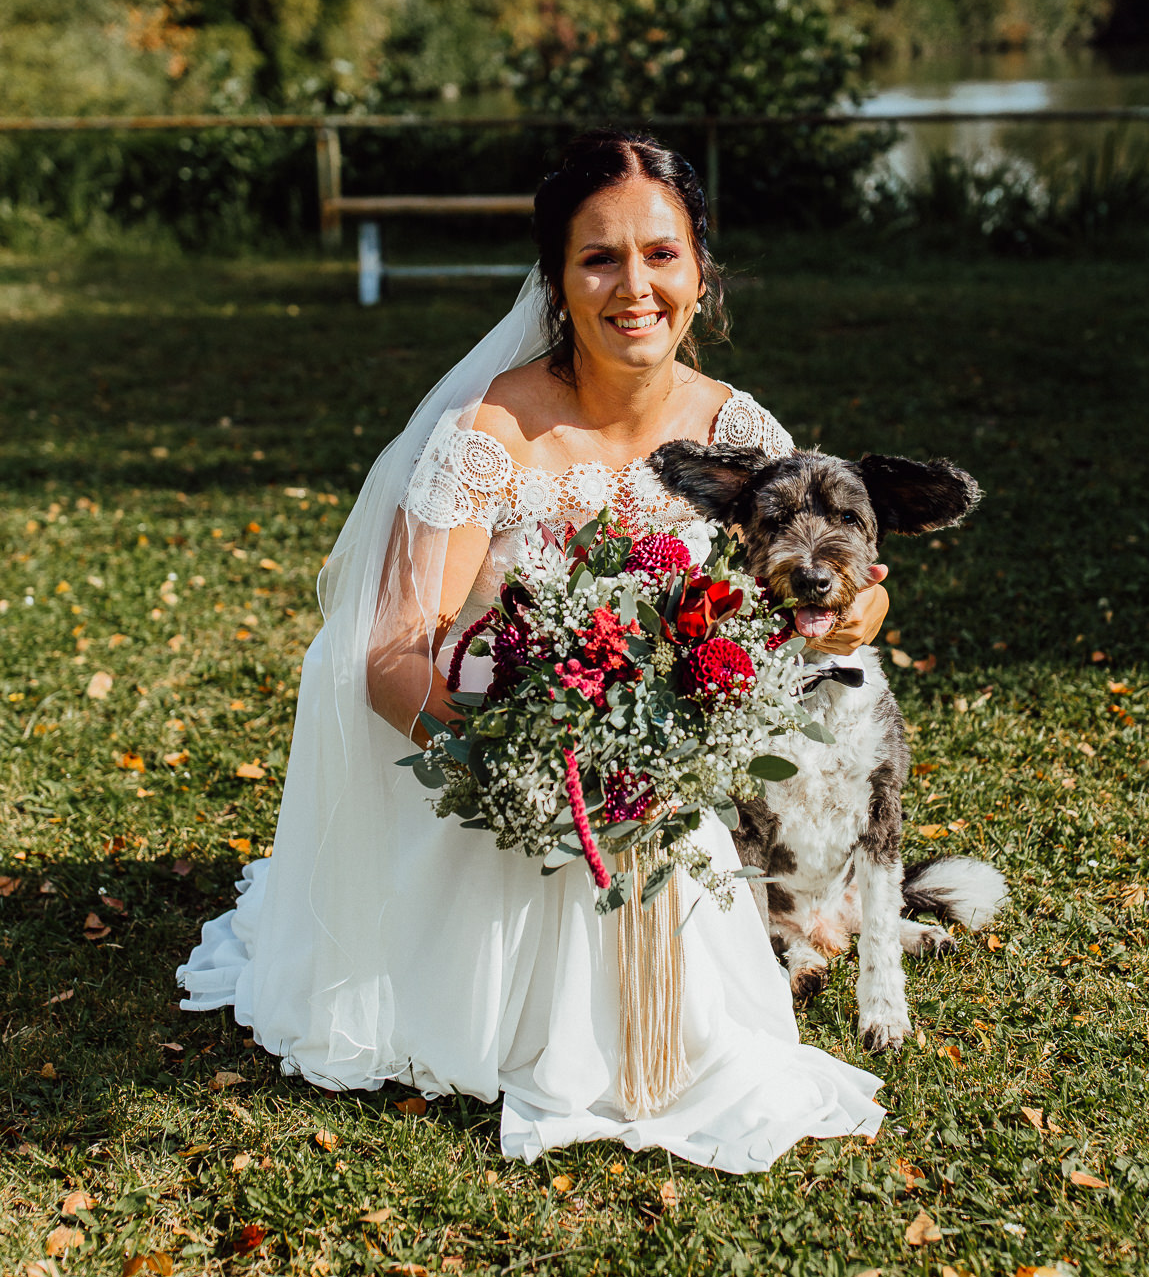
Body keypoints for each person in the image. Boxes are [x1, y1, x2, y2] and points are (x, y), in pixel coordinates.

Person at [179, 130, 891, 1170]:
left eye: (662, 253)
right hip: (499, 759)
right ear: (557, 280)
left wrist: (866, 610)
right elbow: (387, 654)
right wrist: (524, 760)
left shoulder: (742, 435)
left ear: (700, 271)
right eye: (599, 258)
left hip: (671, 779)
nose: (634, 287)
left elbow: (831, 576)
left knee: (713, 1026)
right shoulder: (492, 434)